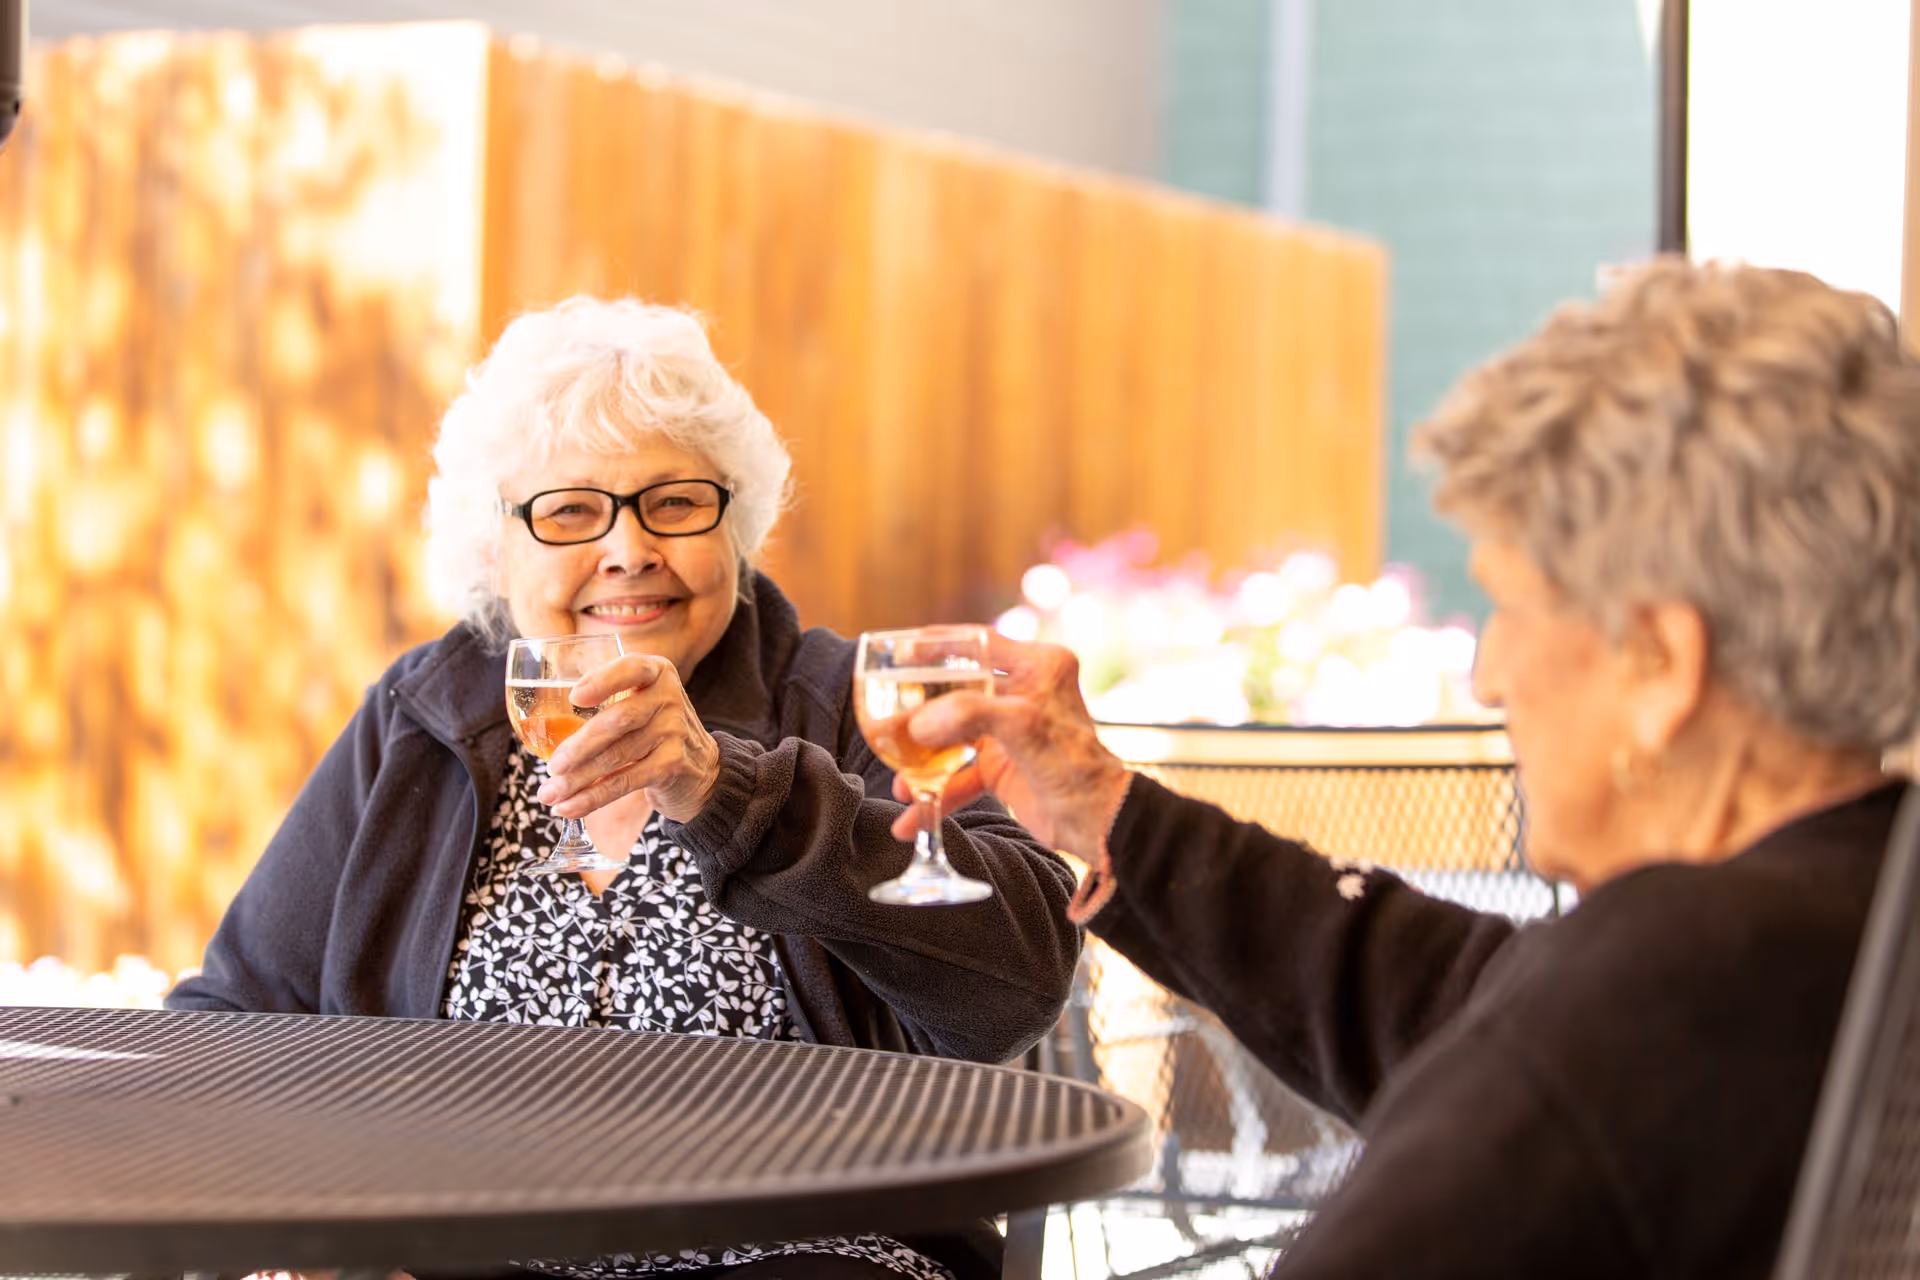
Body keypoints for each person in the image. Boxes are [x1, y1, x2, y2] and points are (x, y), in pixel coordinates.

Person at [893, 258, 1920, 1278]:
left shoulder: (1673, 979)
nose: (1489, 673)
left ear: (1662, 662)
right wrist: (1105, 805)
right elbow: (1456, 998)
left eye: (1513, 605)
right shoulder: (1861, 904)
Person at [167, 298, 1082, 1280]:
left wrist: (723, 787)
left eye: (676, 501)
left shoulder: (841, 702)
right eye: (569, 510)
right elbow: (236, 1008)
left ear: (736, 526)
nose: (628, 548)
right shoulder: (424, 717)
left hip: (799, 1249)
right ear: (496, 548)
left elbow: (1020, 979)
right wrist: (302, 1217)